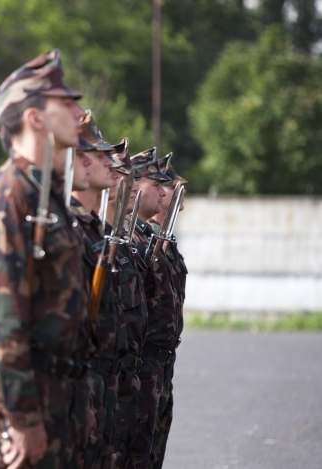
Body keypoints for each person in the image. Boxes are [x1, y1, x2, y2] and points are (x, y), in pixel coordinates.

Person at [0, 48, 89, 469]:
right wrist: (23, 418)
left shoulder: (44, 194)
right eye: (66, 103)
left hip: (52, 391)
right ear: (35, 117)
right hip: (20, 403)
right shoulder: (7, 197)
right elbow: (0, 320)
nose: (79, 112)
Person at [69, 111, 126, 469]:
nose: (112, 162)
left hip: (105, 378)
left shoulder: (96, 232)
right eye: (100, 155)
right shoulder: (65, 230)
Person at [127, 149, 178, 469]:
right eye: (155, 183)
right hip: (136, 364)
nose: (164, 190)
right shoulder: (130, 242)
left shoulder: (146, 239)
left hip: (157, 361)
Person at [104, 140, 149, 469]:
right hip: (99, 374)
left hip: (132, 367)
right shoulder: (89, 238)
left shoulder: (126, 240)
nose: (130, 181)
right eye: (122, 172)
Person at [147, 153, 188, 469]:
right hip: (141, 361)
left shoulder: (166, 243)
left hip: (162, 358)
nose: (177, 200)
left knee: (150, 451)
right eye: (168, 188)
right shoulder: (142, 242)